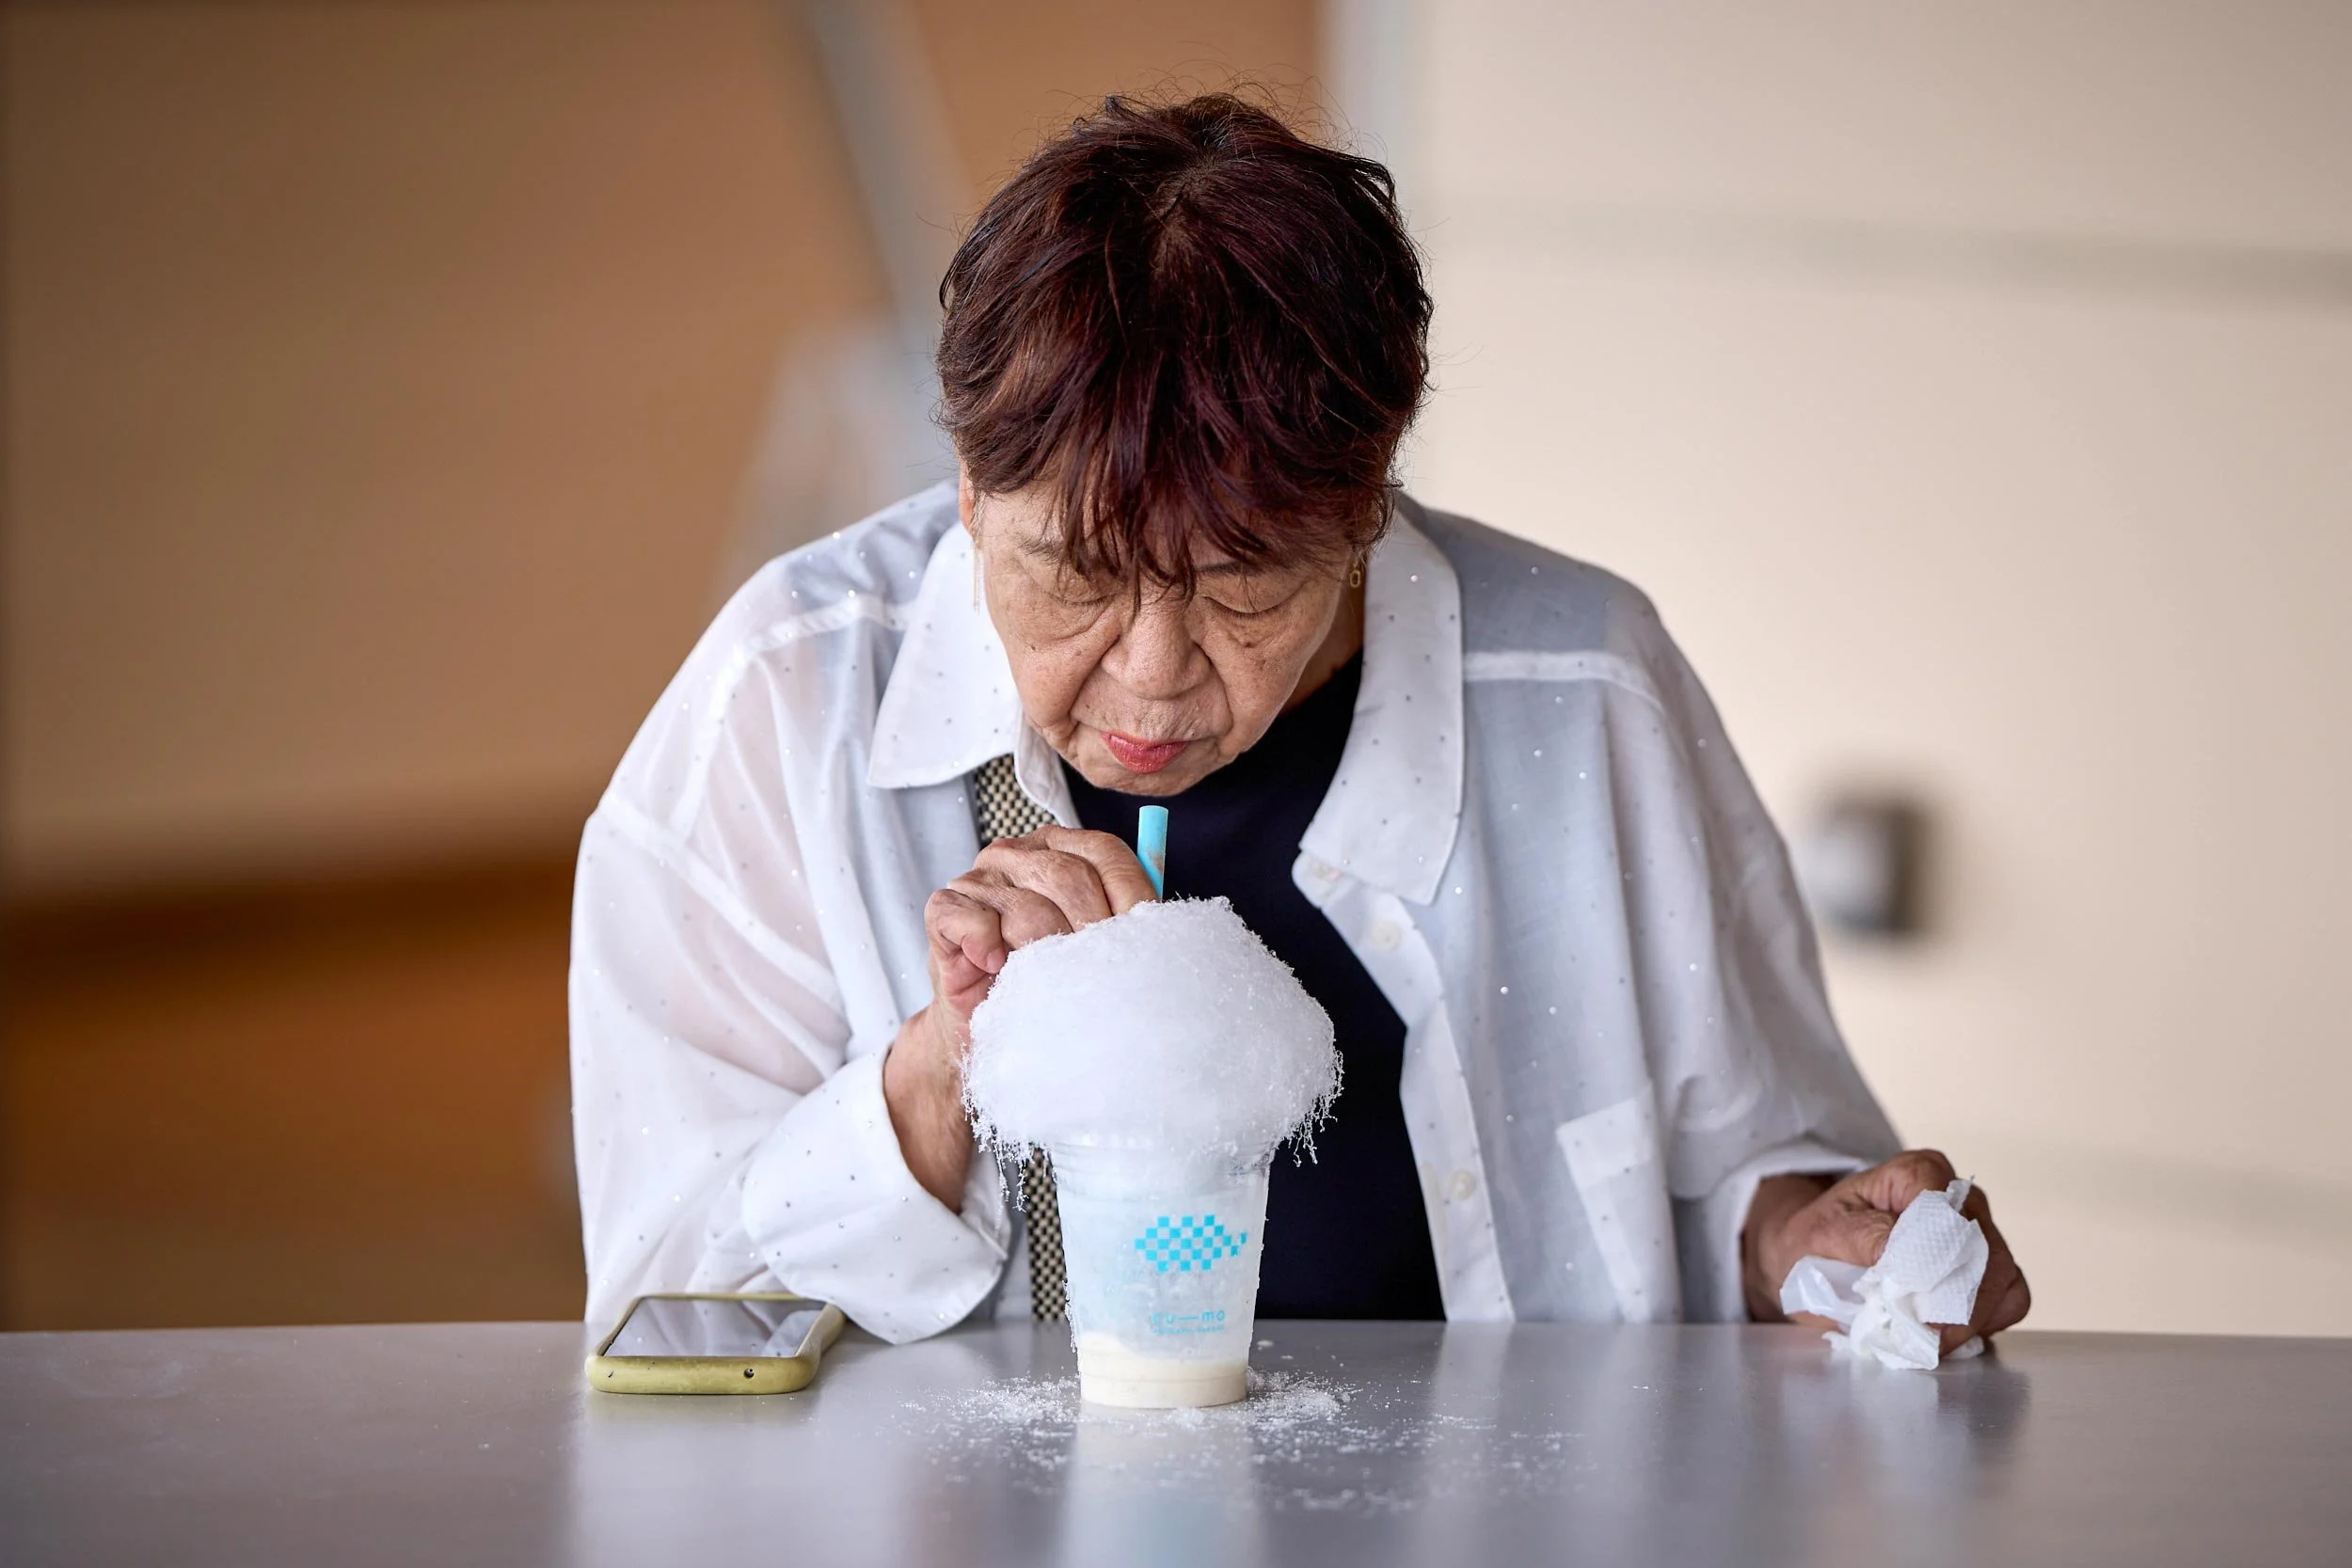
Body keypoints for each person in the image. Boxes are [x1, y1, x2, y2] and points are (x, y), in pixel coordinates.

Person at [569, 94, 2028, 1349]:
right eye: (1075, 575)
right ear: (963, 482)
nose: (1148, 679)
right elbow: (667, 1322)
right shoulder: (789, 696)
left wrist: (1805, 1244)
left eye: (1243, 589)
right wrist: (939, 1073)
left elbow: (1743, 1177)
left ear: (1369, 505)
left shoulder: (1585, 689)